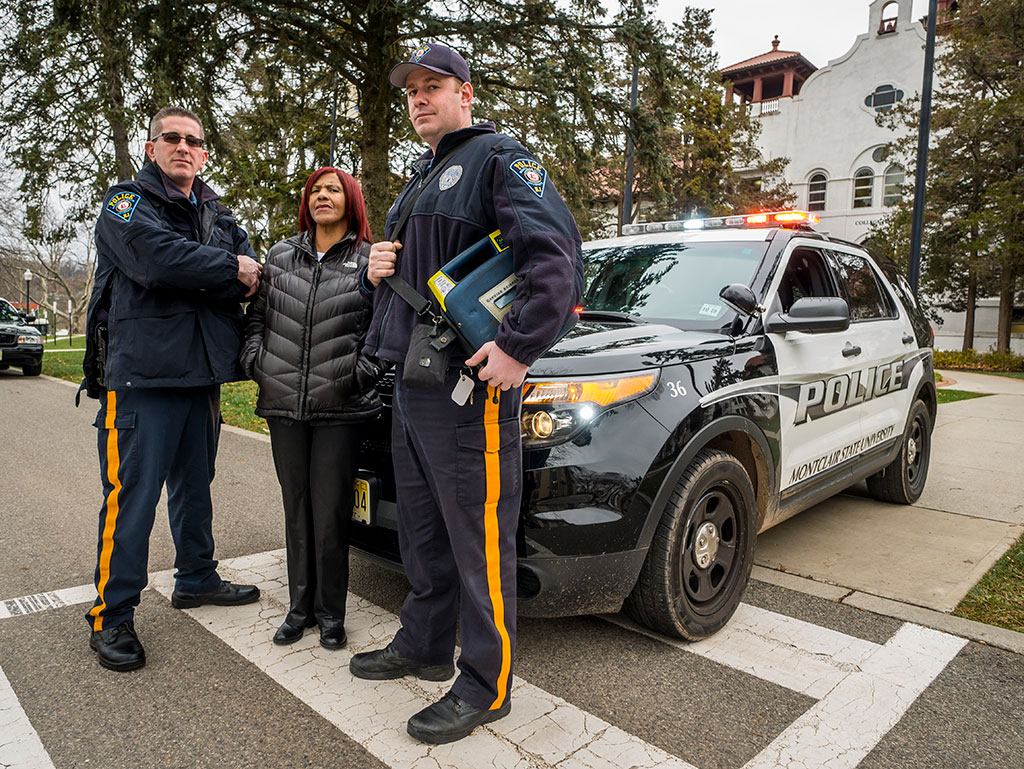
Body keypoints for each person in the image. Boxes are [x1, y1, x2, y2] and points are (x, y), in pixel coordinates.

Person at [349, 42, 583, 744]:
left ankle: (487, 681)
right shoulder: (423, 176)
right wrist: (380, 264)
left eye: (433, 86)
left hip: (465, 387)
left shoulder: (499, 159)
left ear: (466, 94)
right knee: (423, 531)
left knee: (479, 539)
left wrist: (518, 346)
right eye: (411, 90)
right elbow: (426, 273)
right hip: (413, 381)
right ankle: (423, 641)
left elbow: (557, 257)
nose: (418, 98)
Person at [82, 106, 263, 672]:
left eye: (194, 141)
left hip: (201, 376)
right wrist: (226, 271)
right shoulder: (124, 203)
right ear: (151, 146)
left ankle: (197, 577)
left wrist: (222, 272)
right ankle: (111, 617)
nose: (184, 147)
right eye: (172, 138)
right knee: (132, 497)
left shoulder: (216, 213)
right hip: (142, 379)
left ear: (204, 153)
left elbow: (246, 271)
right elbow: (157, 263)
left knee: (195, 485)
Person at [240, 167, 382, 650]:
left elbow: (381, 333)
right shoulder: (281, 255)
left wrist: (357, 376)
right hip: (284, 404)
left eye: (334, 190)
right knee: (295, 509)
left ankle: (330, 614)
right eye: (316, 191)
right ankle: (299, 609)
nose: (323, 197)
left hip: (340, 406)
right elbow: (256, 319)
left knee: (331, 513)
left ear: (351, 202)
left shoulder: (368, 259)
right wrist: (256, 362)